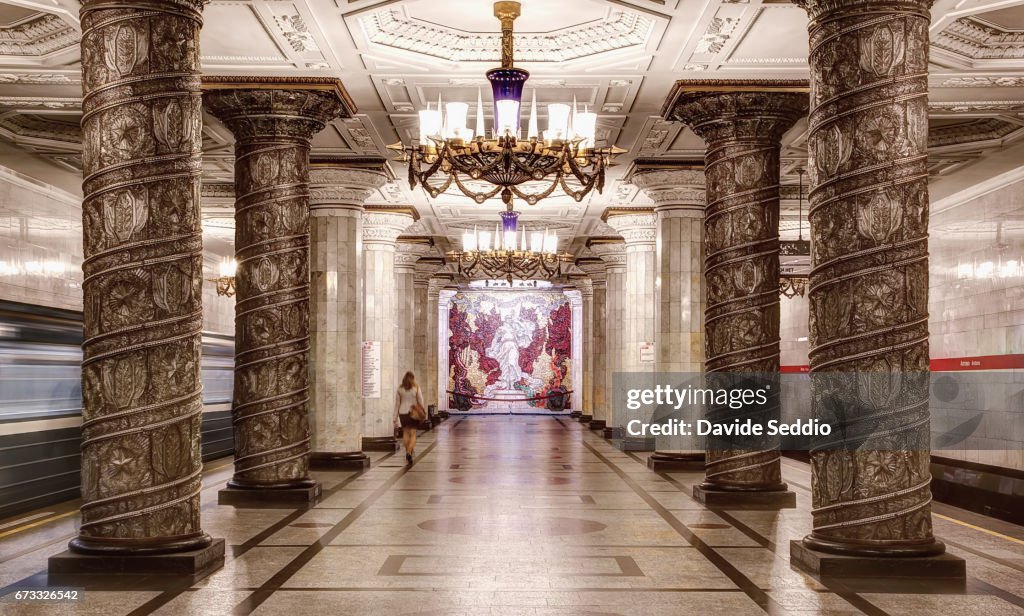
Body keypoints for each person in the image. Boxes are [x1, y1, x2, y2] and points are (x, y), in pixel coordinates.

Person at [394, 371, 425, 465]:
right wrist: (422, 411)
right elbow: (420, 401)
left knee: (406, 432)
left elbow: (397, 404)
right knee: (413, 433)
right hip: (413, 413)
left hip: (402, 413)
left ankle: (408, 451)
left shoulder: (400, 389)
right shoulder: (416, 388)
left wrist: (394, 417)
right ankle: (409, 452)